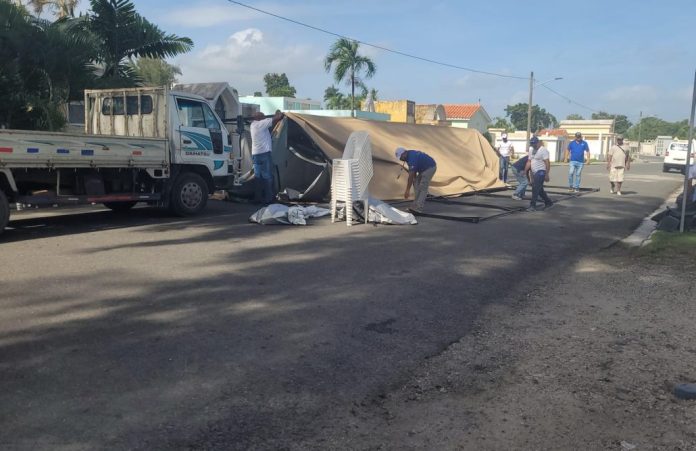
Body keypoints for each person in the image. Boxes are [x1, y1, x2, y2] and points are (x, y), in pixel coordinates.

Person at [250, 110, 284, 204]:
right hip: (264, 154)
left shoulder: (253, 125)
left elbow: (270, 127)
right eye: (263, 116)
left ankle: (258, 198)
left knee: (258, 178)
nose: (265, 118)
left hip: (255, 154)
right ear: (260, 118)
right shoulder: (261, 124)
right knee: (267, 177)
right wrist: (280, 113)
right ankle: (269, 199)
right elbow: (278, 117)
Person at [395, 147, 437, 213]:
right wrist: (415, 181)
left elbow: (411, 176)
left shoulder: (412, 158)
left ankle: (418, 208)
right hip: (423, 169)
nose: (401, 159)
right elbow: (413, 171)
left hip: (430, 167)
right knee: (416, 184)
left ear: (404, 153)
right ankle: (415, 205)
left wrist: (407, 190)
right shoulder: (408, 156)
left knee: (423, 187)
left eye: (401, 157)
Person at [526, 136, 553, 211]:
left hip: (541, 171)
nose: (533, 145)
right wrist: (526, 171)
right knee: (539, 189)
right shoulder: (531, 149)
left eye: (534, 143)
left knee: (535, 188)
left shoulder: (543, 150)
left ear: (538, 143)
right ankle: (548, 202)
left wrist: (547, 174)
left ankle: (532, 205)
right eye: (532, 144)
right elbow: (529, 161)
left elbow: (547, 163)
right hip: (534, 172)